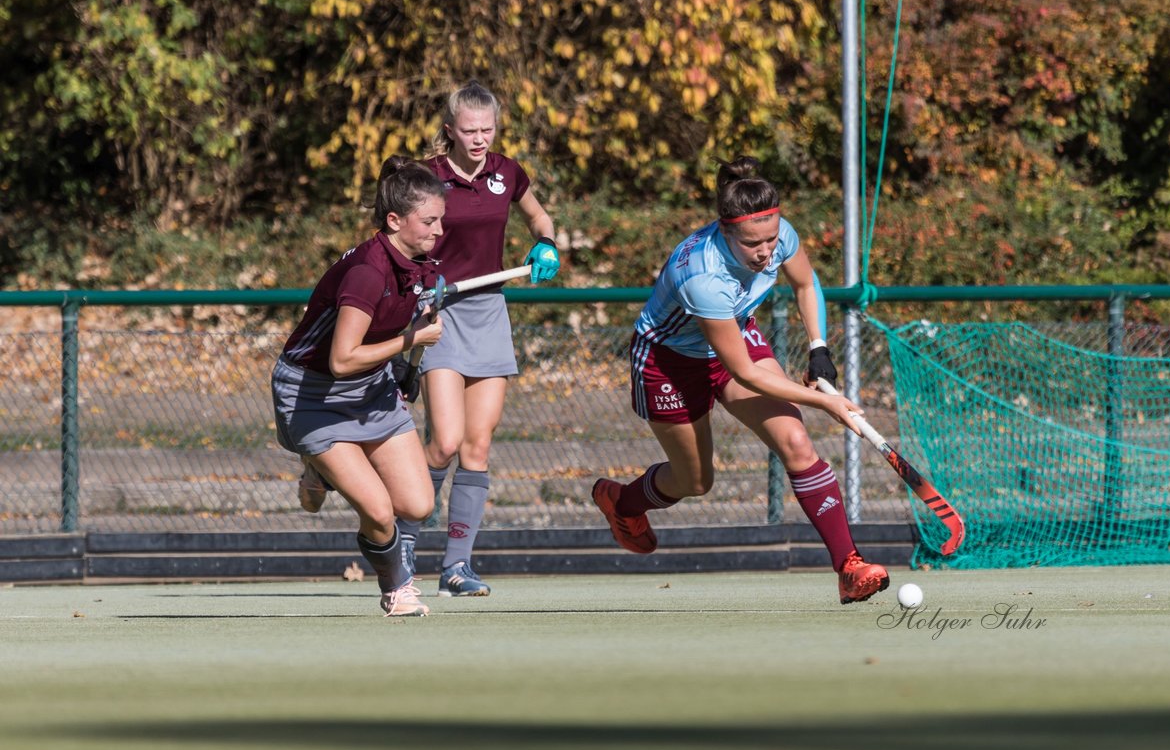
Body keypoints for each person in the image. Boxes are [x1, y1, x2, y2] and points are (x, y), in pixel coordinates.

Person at [591, 156, 890, 604]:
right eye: (754, 244)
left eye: (772, 238)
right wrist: (827, 403)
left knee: (796, 441)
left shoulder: (777, 234)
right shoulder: (702, 276)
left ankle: (849, 566)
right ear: (725, 231)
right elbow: (744, 372)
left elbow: (806, 285)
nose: (767, 251)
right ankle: (624, 503)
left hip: (735, 334)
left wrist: (818, 348)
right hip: (668, 361)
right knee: (695, 481)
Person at [272, 155, 446, 617]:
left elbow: (404, 326)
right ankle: (396, 588)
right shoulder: (368, 272)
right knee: (379, 511)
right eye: (429, 221)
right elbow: (342, 358)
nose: (438, 231)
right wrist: (411, 338)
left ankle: (320, 470)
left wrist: (410, 357)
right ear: (394, 220)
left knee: (417, 503)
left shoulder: (422, 262)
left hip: (371, 389)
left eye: (440, 221)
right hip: (313, 395)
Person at [414, 80, 560, 597]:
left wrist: (545, 242)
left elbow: (539, 215)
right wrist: (419, 271)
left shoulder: (507, 172)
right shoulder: (428, 176)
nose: (479, 139)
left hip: (489, 312)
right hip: (441, 314)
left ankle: (456, 567)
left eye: (487, 130)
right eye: (469, 131)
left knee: (477, 446)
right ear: (450, 130)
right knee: (445, 443)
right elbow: (398, 233)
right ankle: (402, 548)